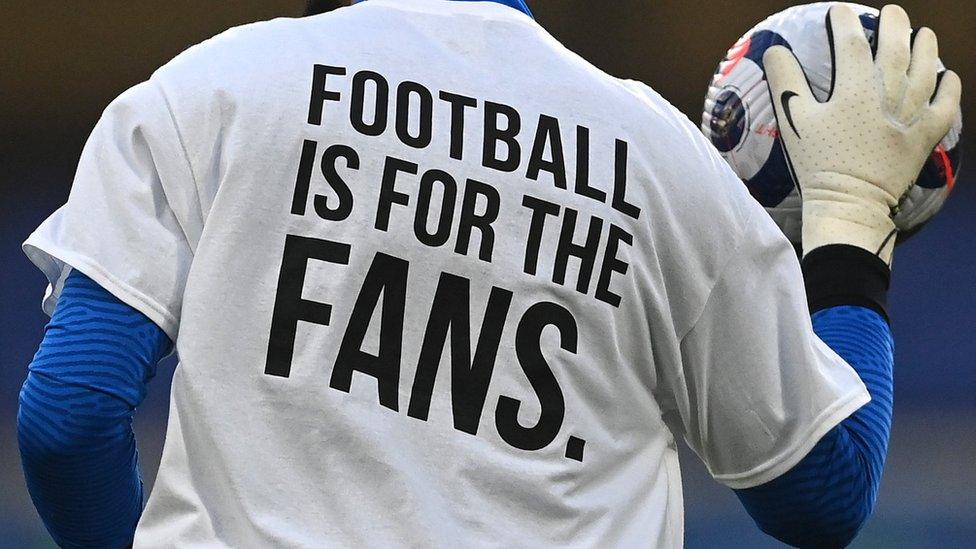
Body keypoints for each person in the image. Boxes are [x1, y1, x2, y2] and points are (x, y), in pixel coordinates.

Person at [17, 1, 960, 547]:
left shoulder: (207, 89)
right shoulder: (659, 157)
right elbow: (822, 490)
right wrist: (846, 226)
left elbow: (70, 415)